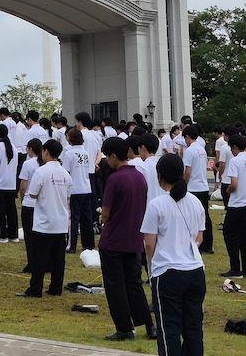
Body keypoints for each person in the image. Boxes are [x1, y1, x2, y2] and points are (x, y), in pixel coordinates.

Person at [141, 153, 206, 356]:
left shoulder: (156, 205)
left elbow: (149, 244)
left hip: (168, 272)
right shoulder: (195, 201)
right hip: (195, 271)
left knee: (169, 329)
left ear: (160, 176)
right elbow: (199, 238)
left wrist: (152, 268)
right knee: (193, 328)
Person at [98, 137, 154, 342]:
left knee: (115, 286)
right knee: (134, 283)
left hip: (113, 240)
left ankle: (124, 327)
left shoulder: (115, 179)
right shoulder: (139, 177)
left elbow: (105, 213)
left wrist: (103, 220)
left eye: (107, 157)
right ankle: (148, 325)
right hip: (134, 239)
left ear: (113, 156)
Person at [20, 138, 72, 298]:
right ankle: (56, 288)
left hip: (44, 222)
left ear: (46, 152)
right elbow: (68, 197)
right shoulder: (65, 173)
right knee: (58, 259)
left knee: (39, 258)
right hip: (61, 221)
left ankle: (35, 288)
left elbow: (33, 193)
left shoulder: (41, 172)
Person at [222, 134, 246, 278]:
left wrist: (228, 191)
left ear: (234, 147)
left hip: (236, 205)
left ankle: (235, 268)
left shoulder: (235, 161)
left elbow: (234, 184)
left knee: (231, 236)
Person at [62, 127, 96, 253]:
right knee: (87, 219)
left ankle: (72, 245)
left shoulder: (69, 153)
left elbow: (66, 172)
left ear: (70, 139)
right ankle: (89, 245)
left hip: (74, 189)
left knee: (73, 219)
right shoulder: (85, 153)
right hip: (86, 188)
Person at [181, 124, 212, 253]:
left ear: (188, 137)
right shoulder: (201, 149)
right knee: (205, 216)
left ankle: (198, 243)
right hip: (203, 186)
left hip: (193, 187)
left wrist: (183, 183)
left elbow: (187, 171)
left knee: (194, 217)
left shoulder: (189, 151)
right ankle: (208, 244)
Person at [0, 123, 20, 244]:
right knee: (11, 210)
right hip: (11, 184)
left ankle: (3, 236)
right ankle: (14, 235)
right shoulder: (13, 147)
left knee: (0, 211)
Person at [17, 137, 43, 273]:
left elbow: (23, 186)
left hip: (29, 203)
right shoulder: (44, 163)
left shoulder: (28, 164)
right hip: (42, 204)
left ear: (30, 149)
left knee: (30, 236)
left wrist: (22, 200)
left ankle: (32, 262)